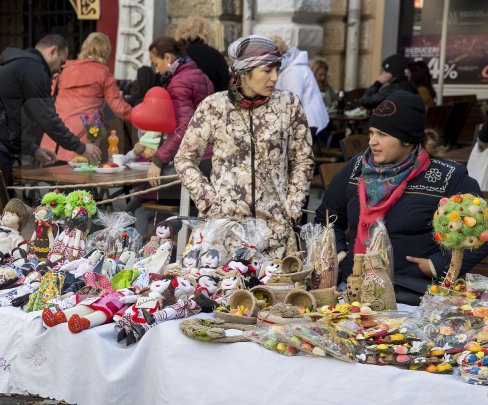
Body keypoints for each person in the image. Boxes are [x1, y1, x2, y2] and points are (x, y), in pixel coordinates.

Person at [315, 90, 488, 305]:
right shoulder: (357, 168)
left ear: (407, 139)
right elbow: (326, 218)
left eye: (382, 135)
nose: (372, 142)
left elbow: (482, 229)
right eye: (371, 132)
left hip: (411, 295)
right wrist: (340, 255)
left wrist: (436, 265)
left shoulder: (447, 176)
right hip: (352, 290)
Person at [174, 35, 314, 259]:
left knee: (272, 293)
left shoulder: (289, 105)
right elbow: (184, 159)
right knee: (222, 292)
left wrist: (293, 207)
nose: (275, 78)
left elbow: (303, 160)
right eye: (267, 71)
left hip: (274, 232)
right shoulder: (214, 107)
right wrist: (208, 200)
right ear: (244, 71)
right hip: (223, 231)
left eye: (277, 70)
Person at [0, 34, 101, 186]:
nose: (59, 72)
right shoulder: (34, 68)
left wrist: (33, 149)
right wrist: (80, 147)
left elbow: (14, 118)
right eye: (61, 64)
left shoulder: (24, 65)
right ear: (52, 51)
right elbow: (47, 118)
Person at [40, 32, 132, 162]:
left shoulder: (64, 68)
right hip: (83, 141)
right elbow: (120, 109)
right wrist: (143, 117)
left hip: (53, 139)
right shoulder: (103, 72)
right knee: (81, 179)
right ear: (106, 51)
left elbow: (47, 97)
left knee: (52, 179)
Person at [145, 36, 214, 187]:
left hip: (196, 159)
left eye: (156, 64)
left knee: (144, 188)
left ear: (167, 57)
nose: (156, 70)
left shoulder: (178, 83)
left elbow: (184, 128)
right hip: (211, 156)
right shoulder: (200, 75)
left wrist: (158, 160)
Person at [270, 36, 329, 135]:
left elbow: (292, 100)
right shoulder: (291, 66)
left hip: (307, 122)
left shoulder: (293, 70)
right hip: (307, 120)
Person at [175, 16, 230, 92]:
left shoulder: (176, 53)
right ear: (206, 32)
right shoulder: (215, 56)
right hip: (208, 101)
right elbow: (226, 87)